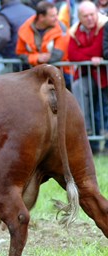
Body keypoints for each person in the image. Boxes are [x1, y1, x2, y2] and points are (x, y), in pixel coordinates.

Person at [69, 1, 108, 153]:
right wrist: (89, 57)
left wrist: (85, 55)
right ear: (79, 17)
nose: (90, 18)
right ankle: (87, 132)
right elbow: (72, 54)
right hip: (88, 74)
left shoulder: (104, 25)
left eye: (92, 15)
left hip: (103, 75)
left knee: (104, 108)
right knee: (78, 88)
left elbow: (99, 49)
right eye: (86, 16)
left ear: (96, 13)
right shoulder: (75, 30)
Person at [0, 0, 35, 71]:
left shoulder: (4, 14)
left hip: (16, 61)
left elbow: (3, 37)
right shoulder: (31, 11)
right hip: (34, 61)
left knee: (0, 81)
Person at [15, 1, 69, 69]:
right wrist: (37, 58)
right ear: (41, 17)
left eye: (56, 14)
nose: (56, 18)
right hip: (34, 73)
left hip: (60, 71)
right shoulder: (24, 29)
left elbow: (58, 55)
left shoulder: (62, 29)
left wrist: (36, 59)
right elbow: (20, 53)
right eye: (52, 16)